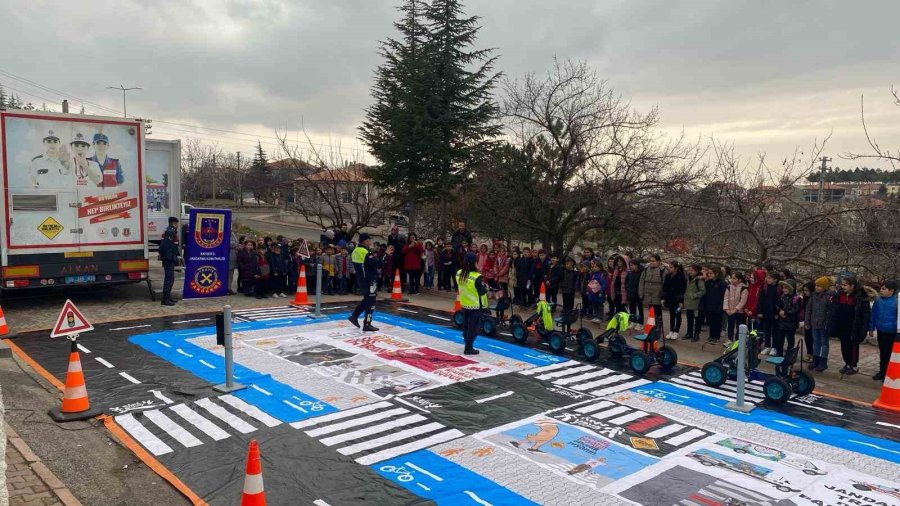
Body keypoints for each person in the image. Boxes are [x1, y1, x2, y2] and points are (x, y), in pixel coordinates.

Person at [828, 275, 870, 376]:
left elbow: (865, 315)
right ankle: (847, 363)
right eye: (842, 285)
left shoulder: (861, 297)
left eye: (845, 285)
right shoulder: (839, 295)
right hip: (842, 325)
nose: (843, 287)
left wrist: (863, 329)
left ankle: (854, 365)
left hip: (854, 327)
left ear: (852, 286)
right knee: (844, 346)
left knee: (853, 347)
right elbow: (834, 310)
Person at [350, 234, 392, 331]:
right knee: (371, 303)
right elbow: (378, 264)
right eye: (369, 240)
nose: (371, 242)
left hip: (361, 279)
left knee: (367, 299)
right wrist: (385, 255)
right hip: (369, 280)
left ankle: (354, 316)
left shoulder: (355, 251)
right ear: (365, 241)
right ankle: (367, 323)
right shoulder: (365, 252)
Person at [457, 251, 488, 355]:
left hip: (465, 303)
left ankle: (467, 344)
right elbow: (482, 291)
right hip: (475, 305)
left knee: (466, 325)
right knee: (473, 327)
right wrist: (485, 286)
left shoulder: (460, 273)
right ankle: (469, 347)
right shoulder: (477, 276)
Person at [868, 280, 898, 381]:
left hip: (893, 332)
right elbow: (873, 314)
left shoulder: (896, 302)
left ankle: (889, 374)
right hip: (881, 330)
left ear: (891, 291)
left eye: (884, 289)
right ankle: (882, 372)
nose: (881, 290)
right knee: (883, 353)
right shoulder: (878, 300)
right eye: (881, 288)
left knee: (890, 354)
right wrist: (871, 328)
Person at [805, 276, 833, 372]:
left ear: (824, 287)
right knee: (816, 342)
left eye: (819, 286)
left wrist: (827, 323)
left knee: (824, 344)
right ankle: (815, 360)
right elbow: (809, 308)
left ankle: (823, 362)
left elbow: (830, 311)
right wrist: (807, 321)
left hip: (823, 324)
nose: (816, 287)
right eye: (816, 285)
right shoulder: (813, 295)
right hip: (814, 323)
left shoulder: (829, 296)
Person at [756, 271, 781, 354]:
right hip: (765, 313)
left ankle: (774, 347)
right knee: (767, 330)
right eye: (767, 277)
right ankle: (767, 346)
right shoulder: (764, 287)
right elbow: (760, 299)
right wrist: (759, 311)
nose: (767, 279)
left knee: (775, 332)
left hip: (774, 314)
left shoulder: (779, 288)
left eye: (770, 278)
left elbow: (779, 302)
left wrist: (777, 313)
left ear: (775, 280)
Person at [773, 280, 800, 357]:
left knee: (790, 339)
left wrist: (785, 312)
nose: (784, 290)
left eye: (786, 288)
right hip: (781, 321)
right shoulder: (782, 296)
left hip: (791, 322)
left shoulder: (796, 298)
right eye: (783, 288)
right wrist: (779, 311)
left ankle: (789, 354)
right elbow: (777, 305)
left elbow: (795, 309)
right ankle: (779, 353)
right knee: (780, 339)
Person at [639, 254, 665, 330]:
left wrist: (663, 296)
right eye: (650, 261)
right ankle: (651, 327)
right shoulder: (646, 269)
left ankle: (658, 327)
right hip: (648, 294)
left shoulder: (662, 270)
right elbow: (641, 281)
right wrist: (641, 293)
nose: (651, 262)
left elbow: (664, 283)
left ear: (658, 262)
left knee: (657, 312)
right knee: (651, 312)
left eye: (653, 261)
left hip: (657, 295)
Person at [662, 261, 687, 340]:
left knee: (678, 315)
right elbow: (664, 288)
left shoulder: (681, 277)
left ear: (676, 268)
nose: (669, 268)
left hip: (677, 299)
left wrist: (681, 301)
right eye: (669, 266)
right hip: (670, 298)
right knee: (671, 314)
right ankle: (671, 330)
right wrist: (663, 298)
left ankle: (676, 331)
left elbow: (682, 290)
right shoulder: (668, 276)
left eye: (671, 267)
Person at [703, 266, 727, 344]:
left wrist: (721, 306)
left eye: (711, 273)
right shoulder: (708, 282)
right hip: (710, 305)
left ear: (716, 274)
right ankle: (711, 336)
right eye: (708, 273)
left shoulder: (722, 283)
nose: (709, 275)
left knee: (717, 322)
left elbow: (723, 296)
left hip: (718, 306)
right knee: (711, 322)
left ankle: (716, 337)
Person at [159, 218, 180, 306]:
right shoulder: (170, 232)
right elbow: (164, 246)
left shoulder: (170, 231)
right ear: (175, 223)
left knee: (171, 278)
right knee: (169, 278)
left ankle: (168, 297)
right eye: (177, 223)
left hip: (170, 257)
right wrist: (165, 255)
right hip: (168, 258)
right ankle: (165, 299)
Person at [723, 272, 748, 345]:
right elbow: (726, 298)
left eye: (734, 278)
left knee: (739, 327)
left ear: (739, 280)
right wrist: (726, 308)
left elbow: (742, 301)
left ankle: (738, 342)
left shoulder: (744, 288)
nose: (732, 280)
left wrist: (736, 309)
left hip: (739, 312)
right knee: (730, 326)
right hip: (730, 311)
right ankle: (729, 340)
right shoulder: (729, 287)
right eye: (732, 278)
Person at [684, 264, 706, 342]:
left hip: (696, 303)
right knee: (689, 319)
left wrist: (694, 296)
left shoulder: (699, 279)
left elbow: (703, 291)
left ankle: (696, 334)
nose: (690, 272)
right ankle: (689, 332)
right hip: (689, 302)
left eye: (692, 270)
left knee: (697, 320)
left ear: (696, 271)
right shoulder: (689, 278)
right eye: (689, 270)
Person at [626, 260, 643, 327]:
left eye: (632, 265)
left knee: (640, 308)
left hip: (638, 293)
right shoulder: (630, 273)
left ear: (636, 265)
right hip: (631, 292)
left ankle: (640, 322)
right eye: (630, 265)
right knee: (632, 307)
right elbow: (626, 282)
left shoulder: (641, 273)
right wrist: (628, 288)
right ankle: (633, 321)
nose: (631, 267)